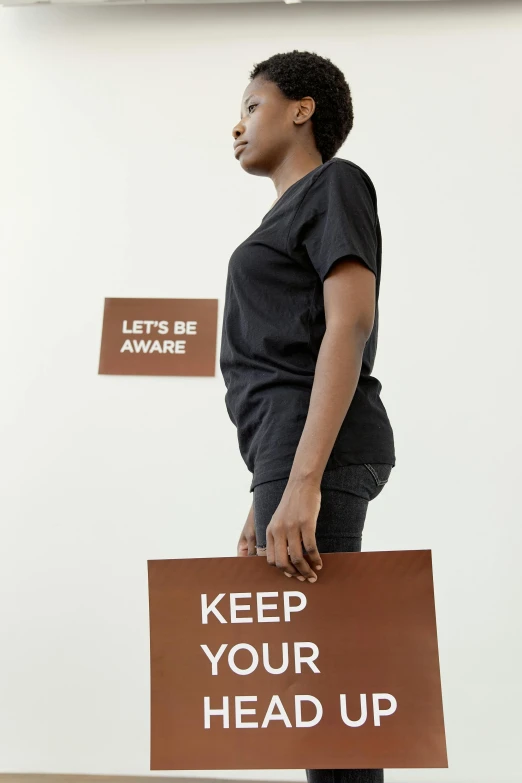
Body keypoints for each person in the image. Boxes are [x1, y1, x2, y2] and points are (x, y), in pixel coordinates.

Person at [219, 50, 396, 783]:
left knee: (330, 694)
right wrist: (266, 490)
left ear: (302, 110)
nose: (236, 125)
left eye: (252, 105)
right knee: (322, 688)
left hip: (315, 454)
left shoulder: (335, 184)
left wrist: (300, 482)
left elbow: (347, 325)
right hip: (290, 458)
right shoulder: (286, 213)